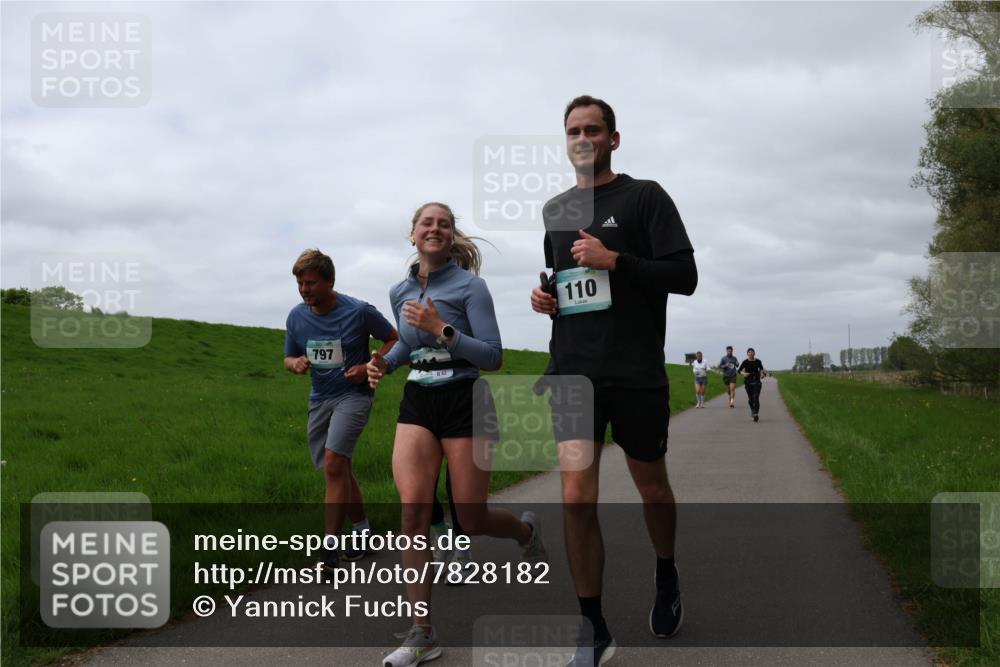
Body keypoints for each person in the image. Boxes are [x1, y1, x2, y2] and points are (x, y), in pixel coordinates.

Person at [530, 95, 697, 665]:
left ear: (613, 139)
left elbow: (685, 275)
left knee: (653, 489)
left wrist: (616, 260)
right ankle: (593, 627)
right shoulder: (555, 210)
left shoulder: (646, 196)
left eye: (593, 130)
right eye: (573, 131)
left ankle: (666, 572)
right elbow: (567, 280)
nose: (583, 139)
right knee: (576, 498)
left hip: (635, 371)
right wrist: (548, 299)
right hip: (573, 371)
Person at [369, 202, 548, 667]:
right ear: (413, 234)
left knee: (471, 517)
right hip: (419, 402)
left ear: (451, 236)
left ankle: (525, 531)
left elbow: (492, 356)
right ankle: (422, 633)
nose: (435, 229)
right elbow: (409, 346)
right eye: (426, 223)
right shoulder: (399, 291)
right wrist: (383, 363)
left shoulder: (472, 287)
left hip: (466, 398)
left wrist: (442, 329)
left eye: (443, 224)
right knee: (413, 512)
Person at [283, 249, 398, 570]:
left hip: (355, 395)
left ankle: (329, 549)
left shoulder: (358, 311)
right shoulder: (296, 316)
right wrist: (296, 364)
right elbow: (288, 357)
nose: (304, 289)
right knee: (339, 468)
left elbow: (393, 339)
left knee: (334, 463)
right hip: (320, 398)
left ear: (330, 281)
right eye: (300, 283)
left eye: (311, 283)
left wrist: (369, 366)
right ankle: (363, 531)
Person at [738, 348, 767, 422]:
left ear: (754, 353)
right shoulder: (745, 362)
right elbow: (739, 371)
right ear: (747, 354)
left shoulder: (758, 361)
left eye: (752, 352)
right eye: (749, 352)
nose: (751, 353)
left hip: (757, 382)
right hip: (748, 383)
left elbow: (762, 370)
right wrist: (744, 373)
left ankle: (756, 414)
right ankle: (752, 410)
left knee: (756, 398)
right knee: (751, 399)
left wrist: (762, 374)